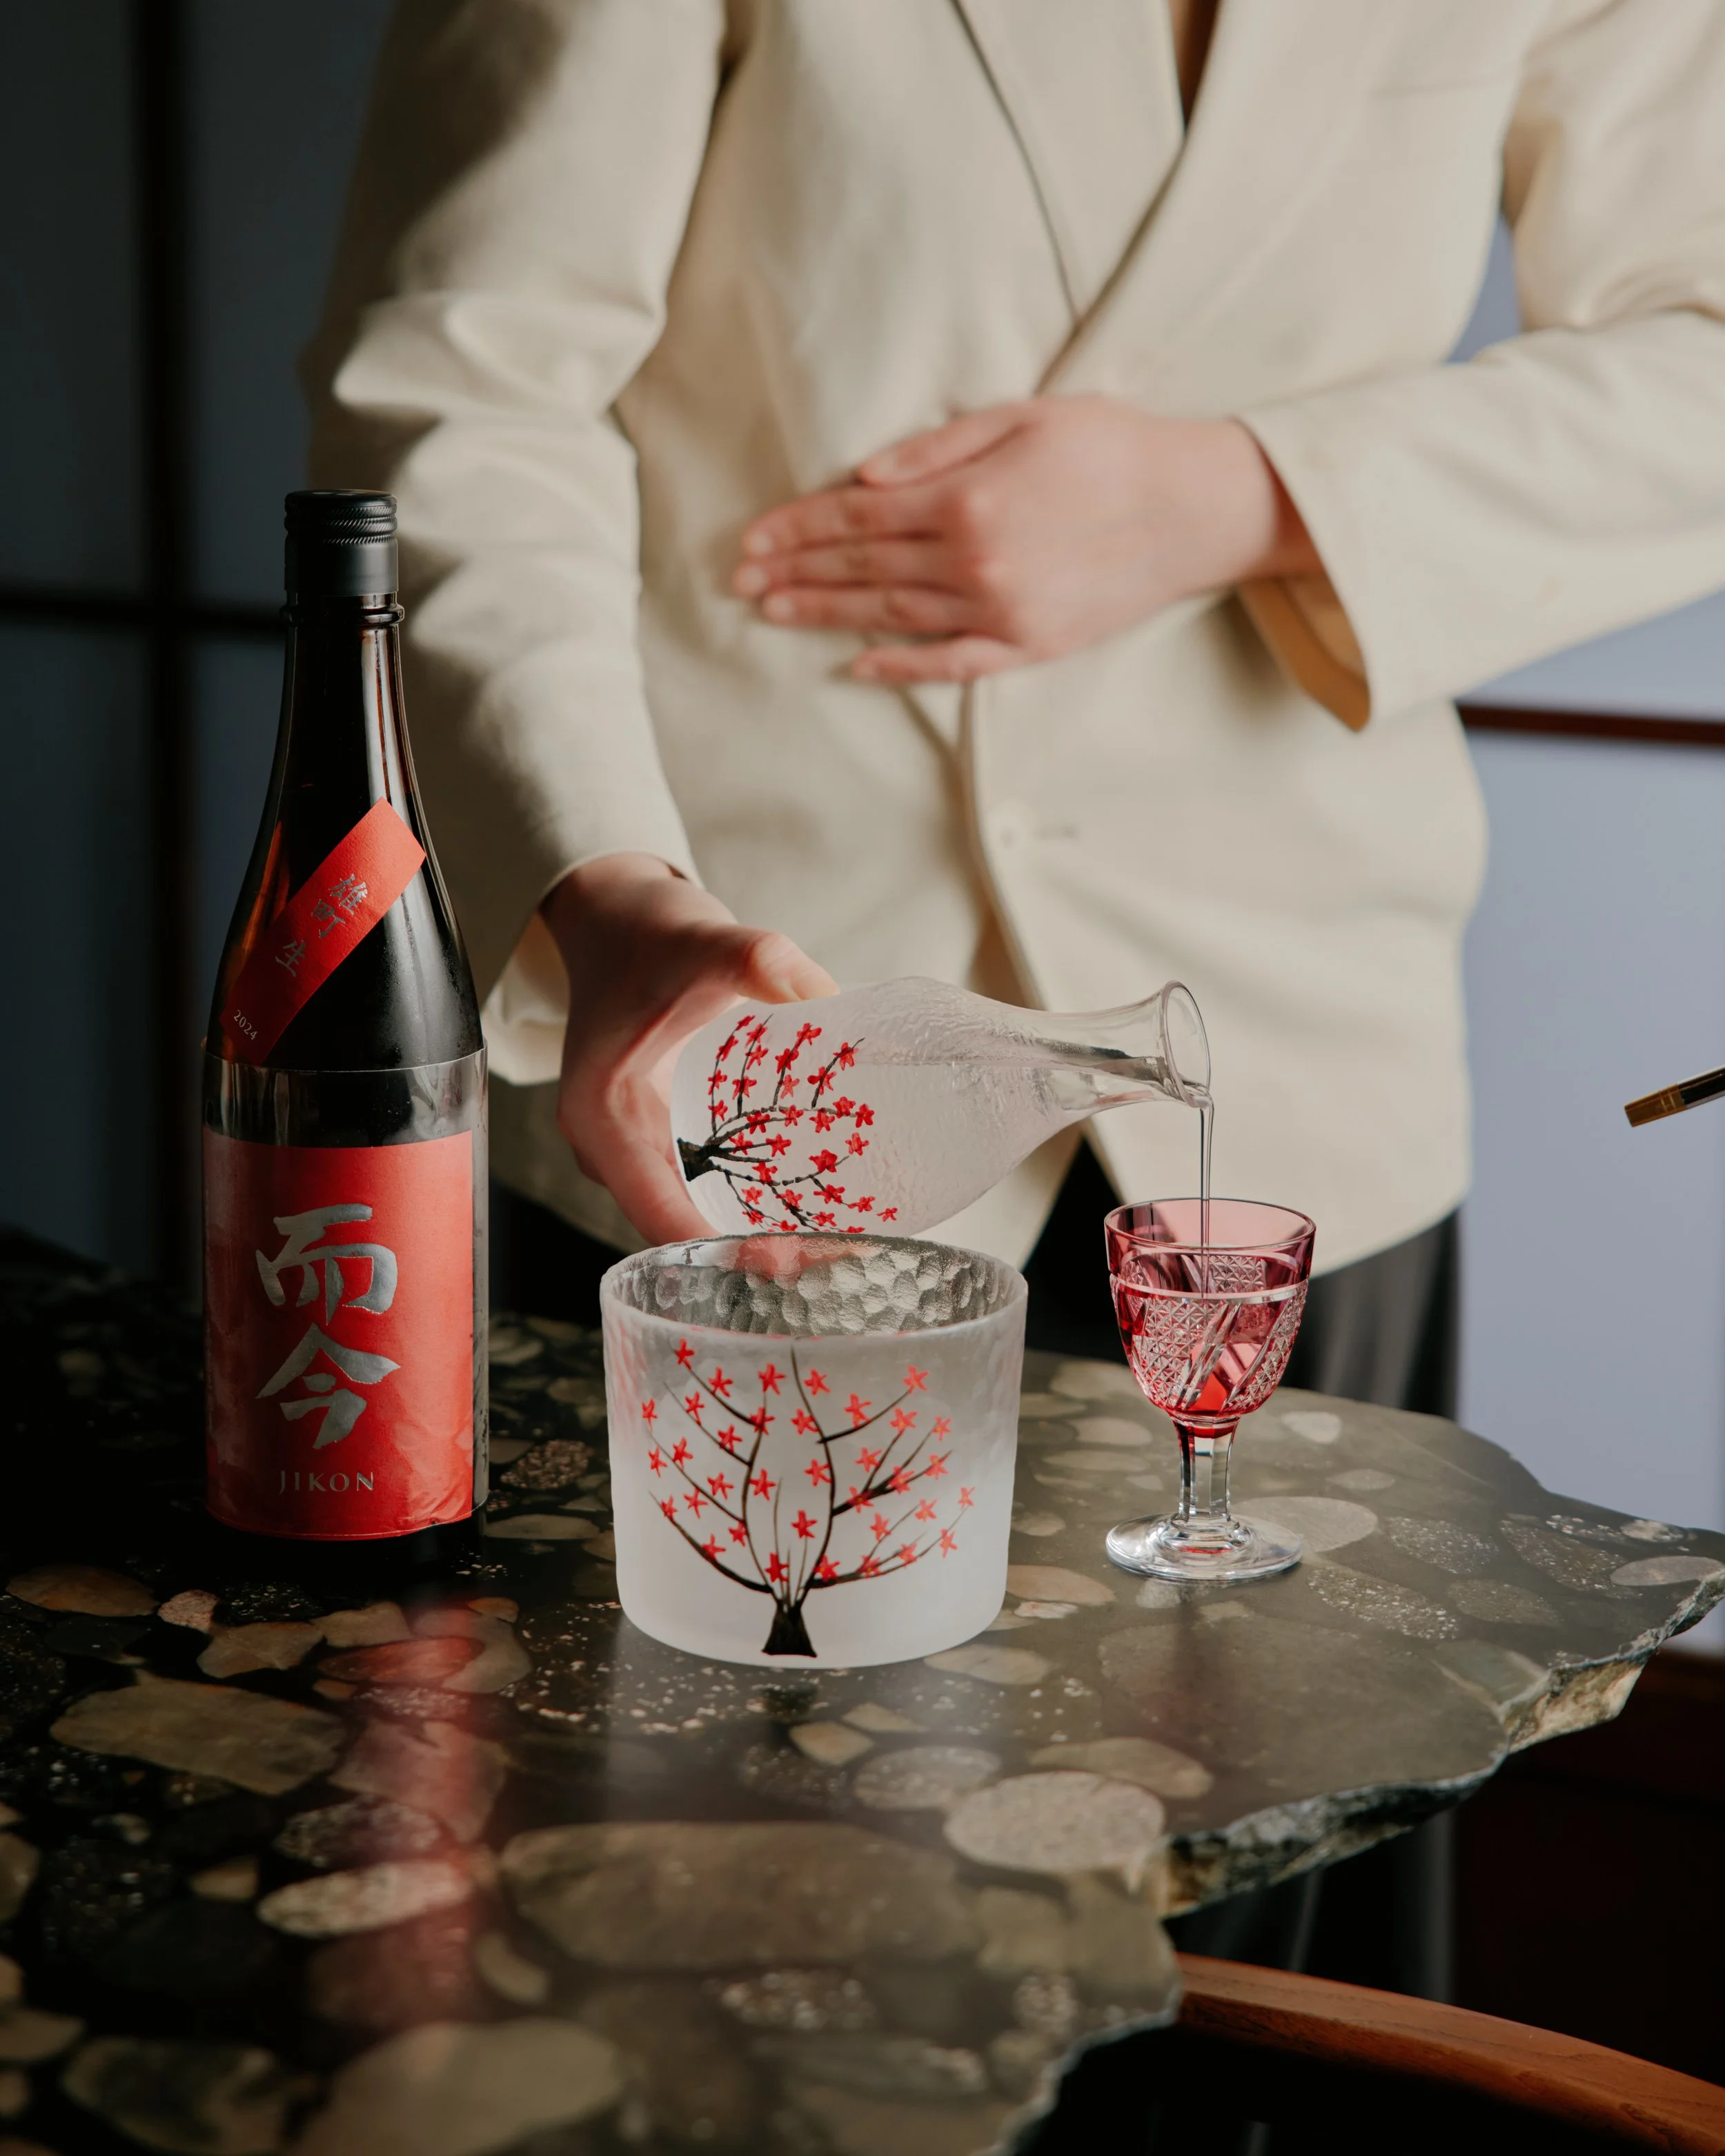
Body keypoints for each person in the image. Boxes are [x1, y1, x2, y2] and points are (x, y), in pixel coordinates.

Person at [304, 0, 1725, 1999]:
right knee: (718, 1952)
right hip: (736, 1081)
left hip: (1284, 1074)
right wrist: (603, 888)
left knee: (1262, 1960)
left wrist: (1247, 494)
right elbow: (459, 385)